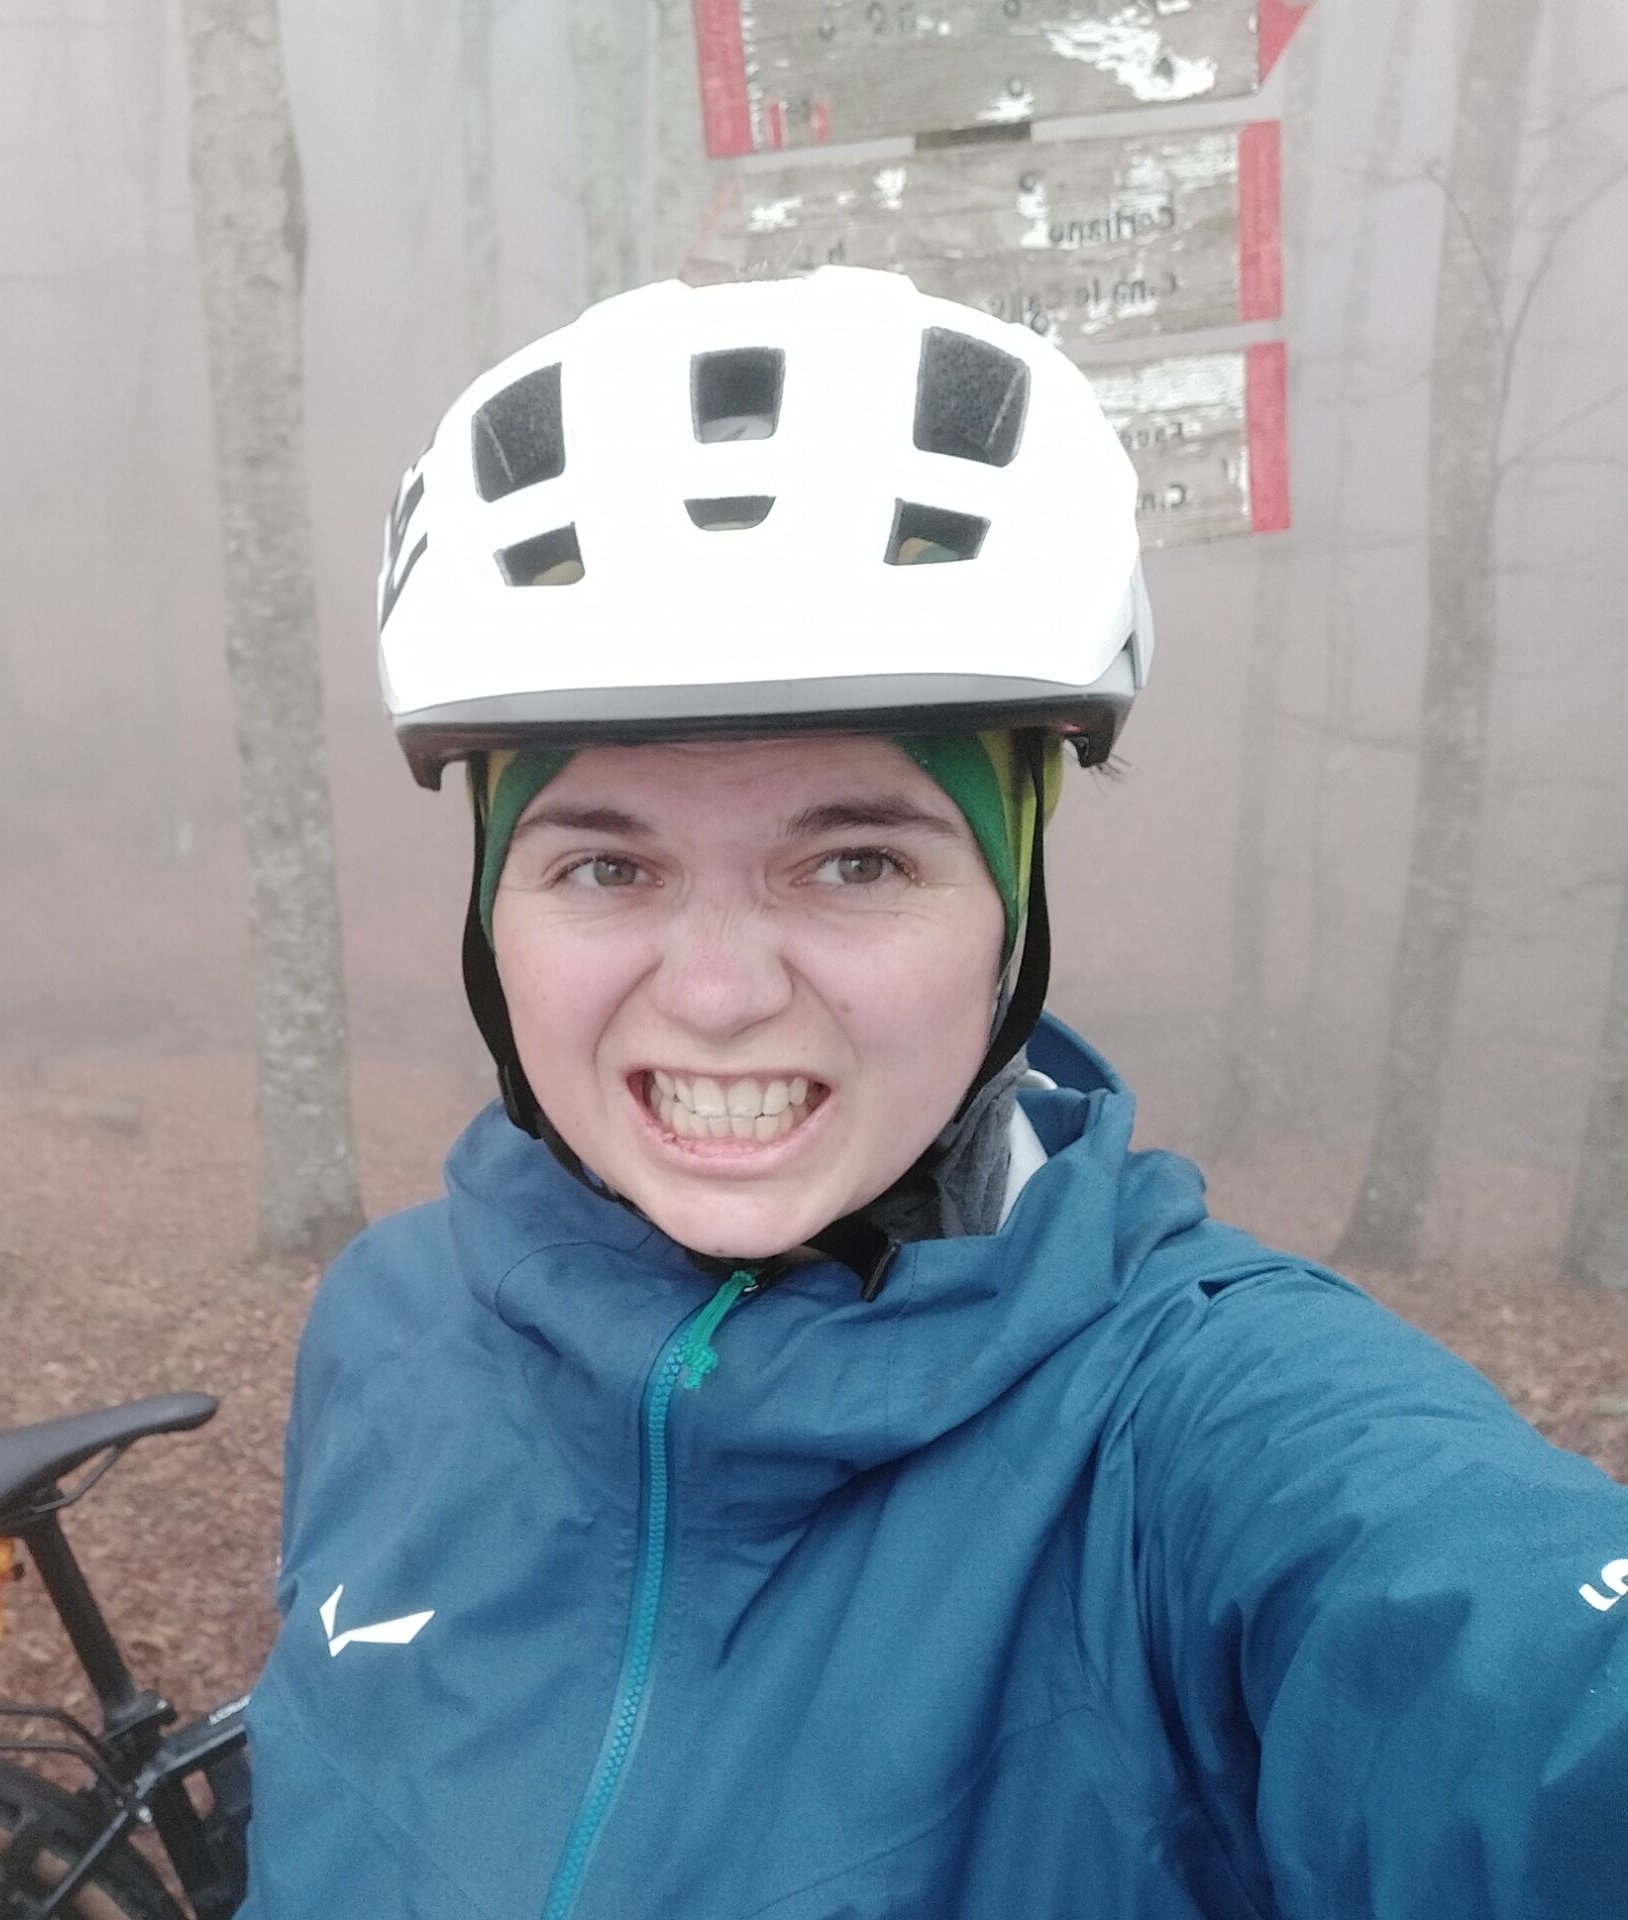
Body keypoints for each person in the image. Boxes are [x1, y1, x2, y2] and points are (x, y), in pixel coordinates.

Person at [237, 268, 1628, 1918]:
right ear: (490, 916)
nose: (718, 992)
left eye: (856, 859)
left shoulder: (1197, 1444)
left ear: (1011, 911)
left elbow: (1527, 1691)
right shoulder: (390, 1323)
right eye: (605, 863)